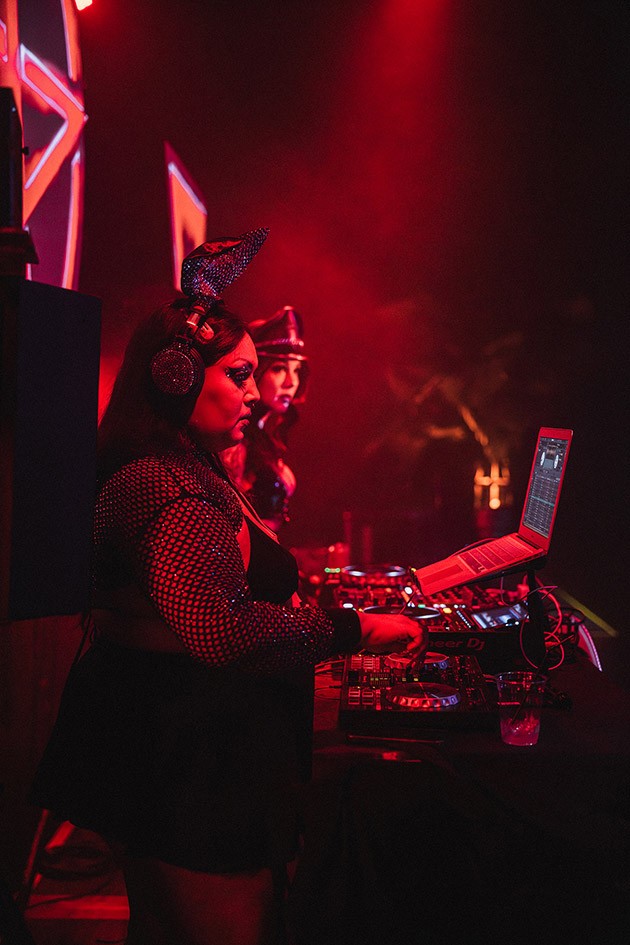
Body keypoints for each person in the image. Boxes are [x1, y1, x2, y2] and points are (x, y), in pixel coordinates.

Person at [30, 229, 426, 945]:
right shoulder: (162, 484)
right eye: (239, 376)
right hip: (184, 764)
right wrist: (352, 629)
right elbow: (221, 629)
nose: (254, 393)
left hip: (180, 747)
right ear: (176, 376)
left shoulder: (186, 465)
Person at [223, 305, 308, 533]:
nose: (291, 382)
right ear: (254, 372)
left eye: (297, 370)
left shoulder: (263, 438)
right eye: (279, 369)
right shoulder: (233, 442)